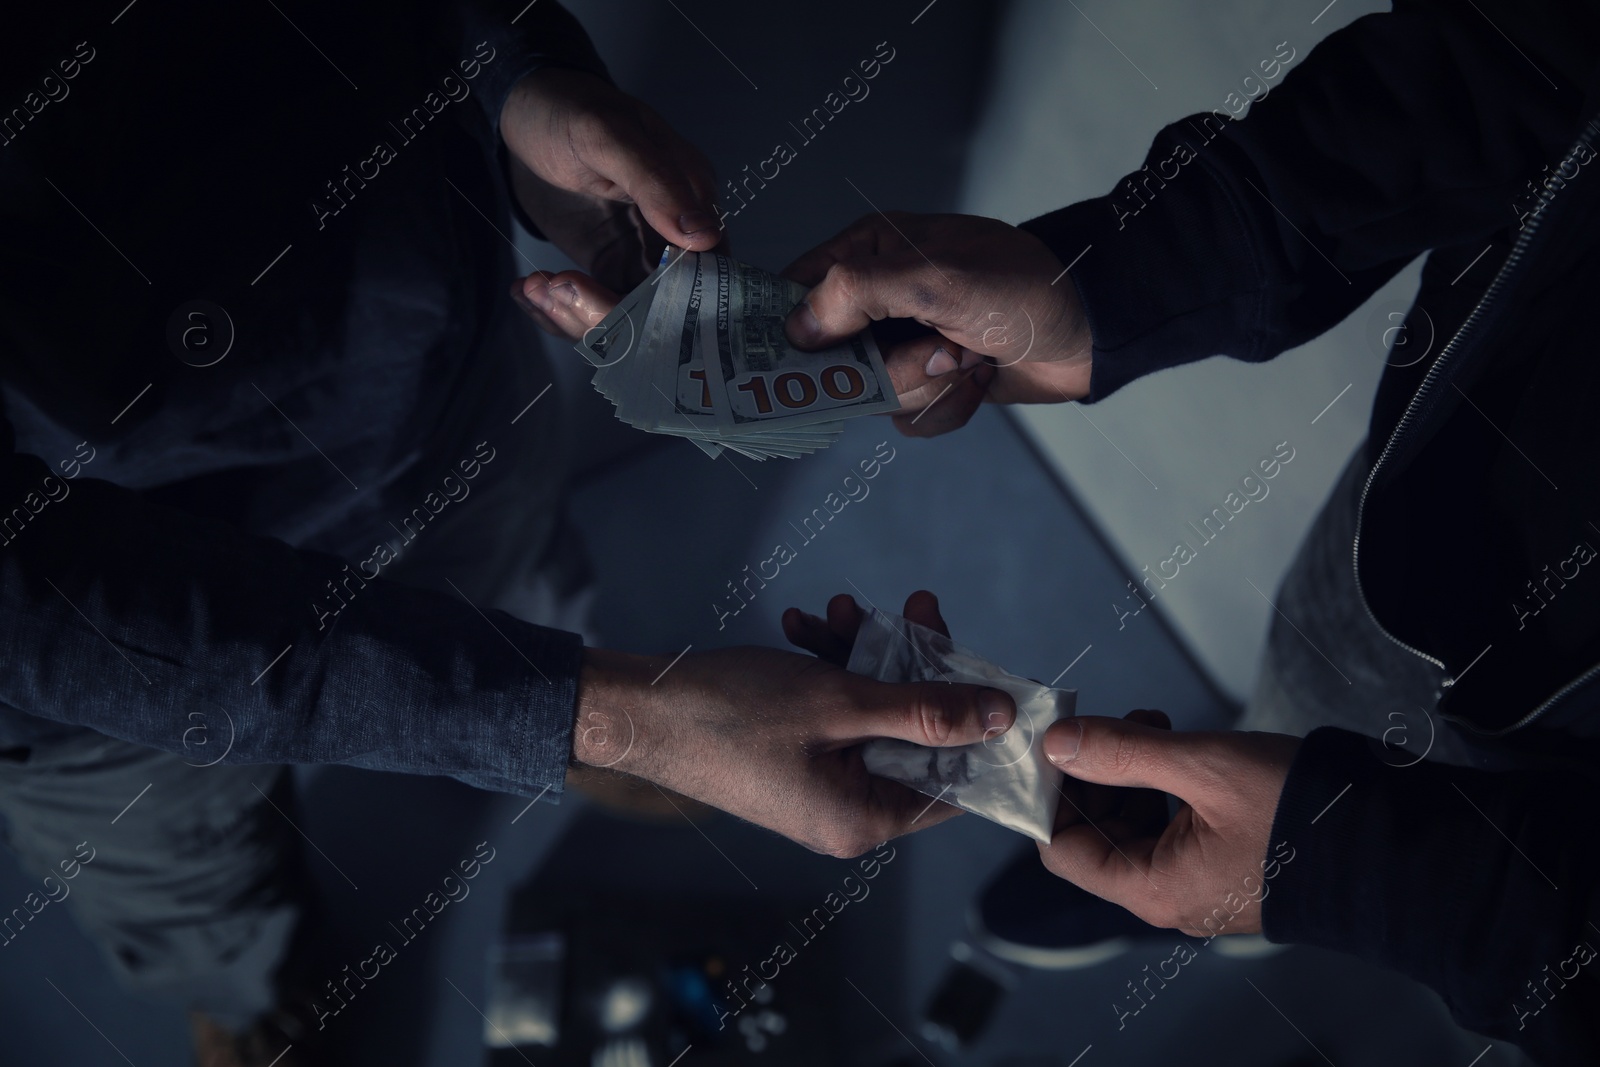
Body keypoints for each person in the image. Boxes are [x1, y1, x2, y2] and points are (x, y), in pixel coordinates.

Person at [0, 6, 1015, 1065]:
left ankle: (550, 728)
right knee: (175, 862)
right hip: (93, 600)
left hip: (431, 370)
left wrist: (523, 76)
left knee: (516, 577)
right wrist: (611, 716)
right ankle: (244, 985)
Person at [766, 3, 1599, 1065]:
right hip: (1443, 518)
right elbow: (1517, 52)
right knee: (1316, 689)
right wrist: (1111, 285)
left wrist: (1335, 871)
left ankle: (1229, 902)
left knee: (1344, 834)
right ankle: (1198, 837)